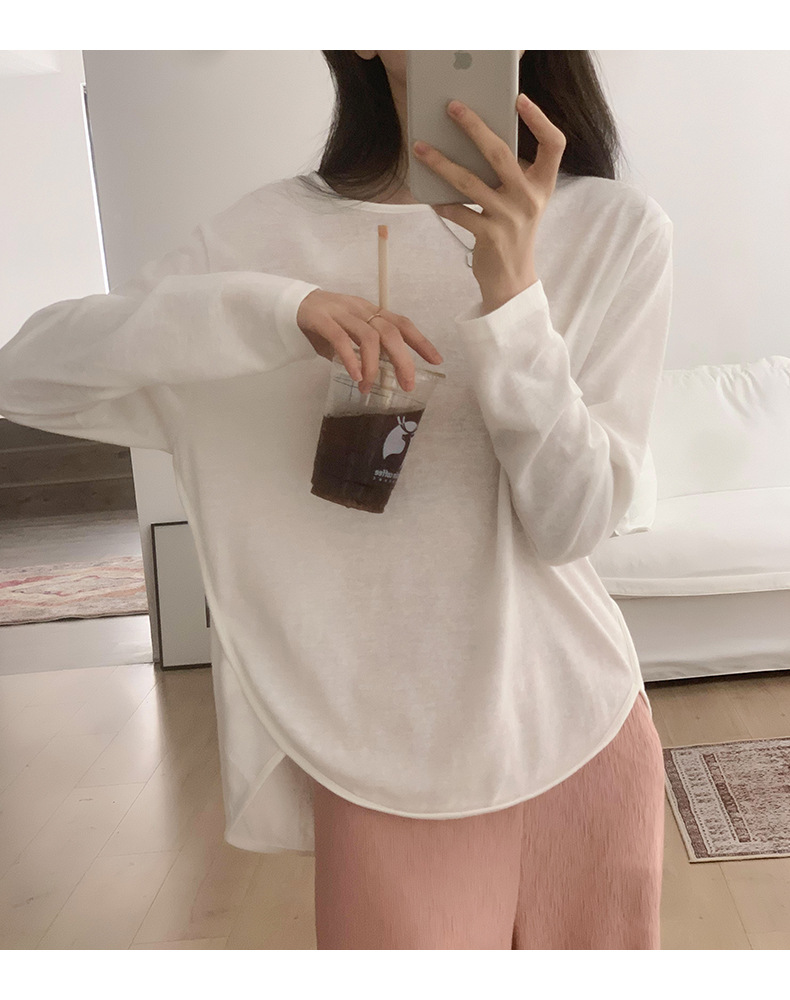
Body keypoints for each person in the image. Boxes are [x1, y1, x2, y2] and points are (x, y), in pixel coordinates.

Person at [0, 50, 672, 949]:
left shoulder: (616, 229)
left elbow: (572, 523)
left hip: (582, 725)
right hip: (380, 753)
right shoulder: (267, 232)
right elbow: (28, 372)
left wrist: (513, 295)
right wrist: (276, 310)